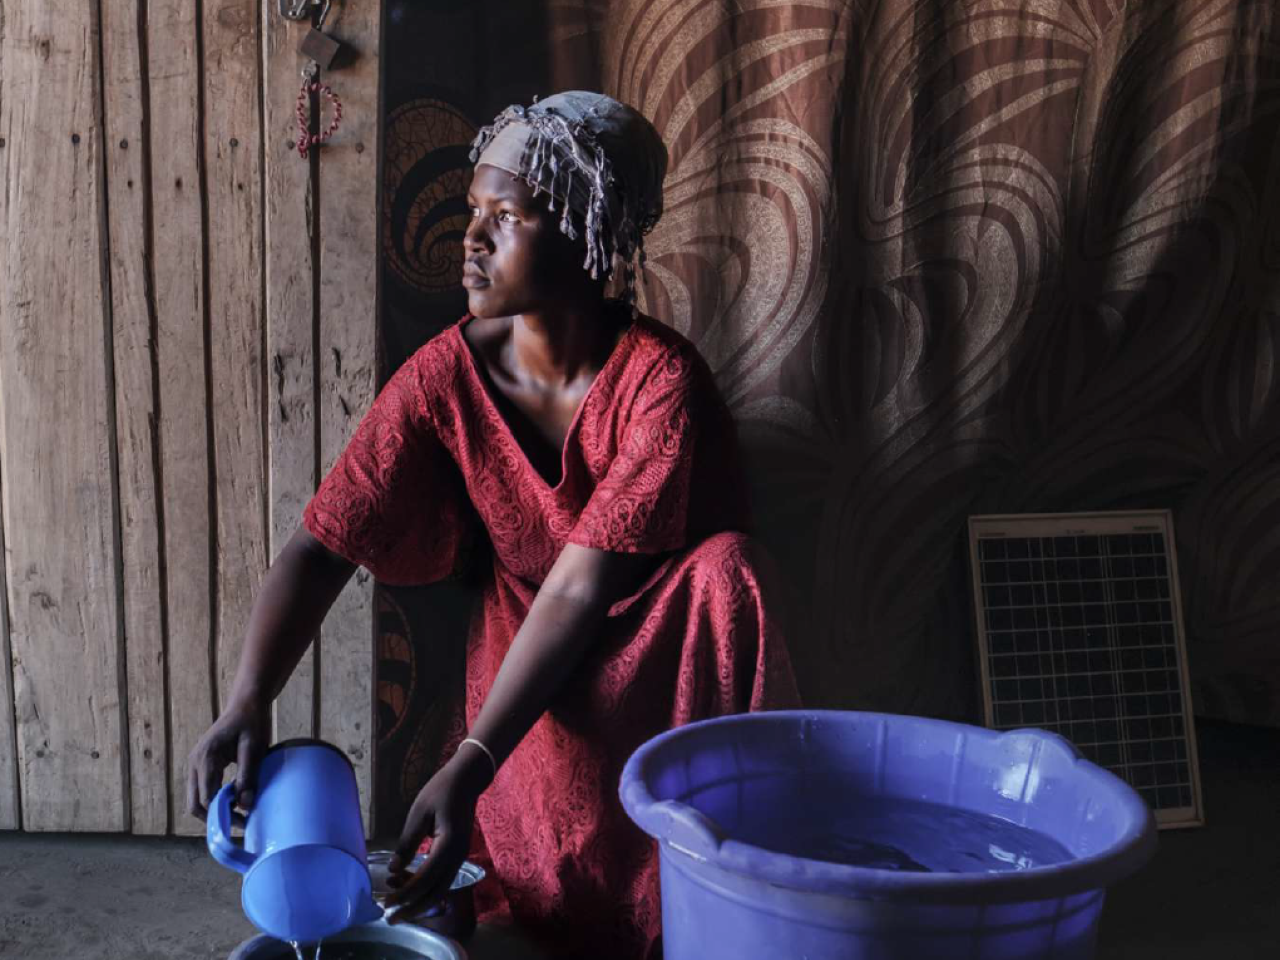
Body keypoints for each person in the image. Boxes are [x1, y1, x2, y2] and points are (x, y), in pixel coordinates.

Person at [186, 90, 800, 959]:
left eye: (504, 216)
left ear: (588, 234)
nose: (470, 238)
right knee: (538, 912)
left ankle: (730, 882)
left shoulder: (663, 383)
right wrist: (248, 699)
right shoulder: (444, 377)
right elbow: (325, 542)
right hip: (527, 668)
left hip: (662, 665)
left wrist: (471, 761)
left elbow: (586, 583)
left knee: (731, 568)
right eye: (474, 210)